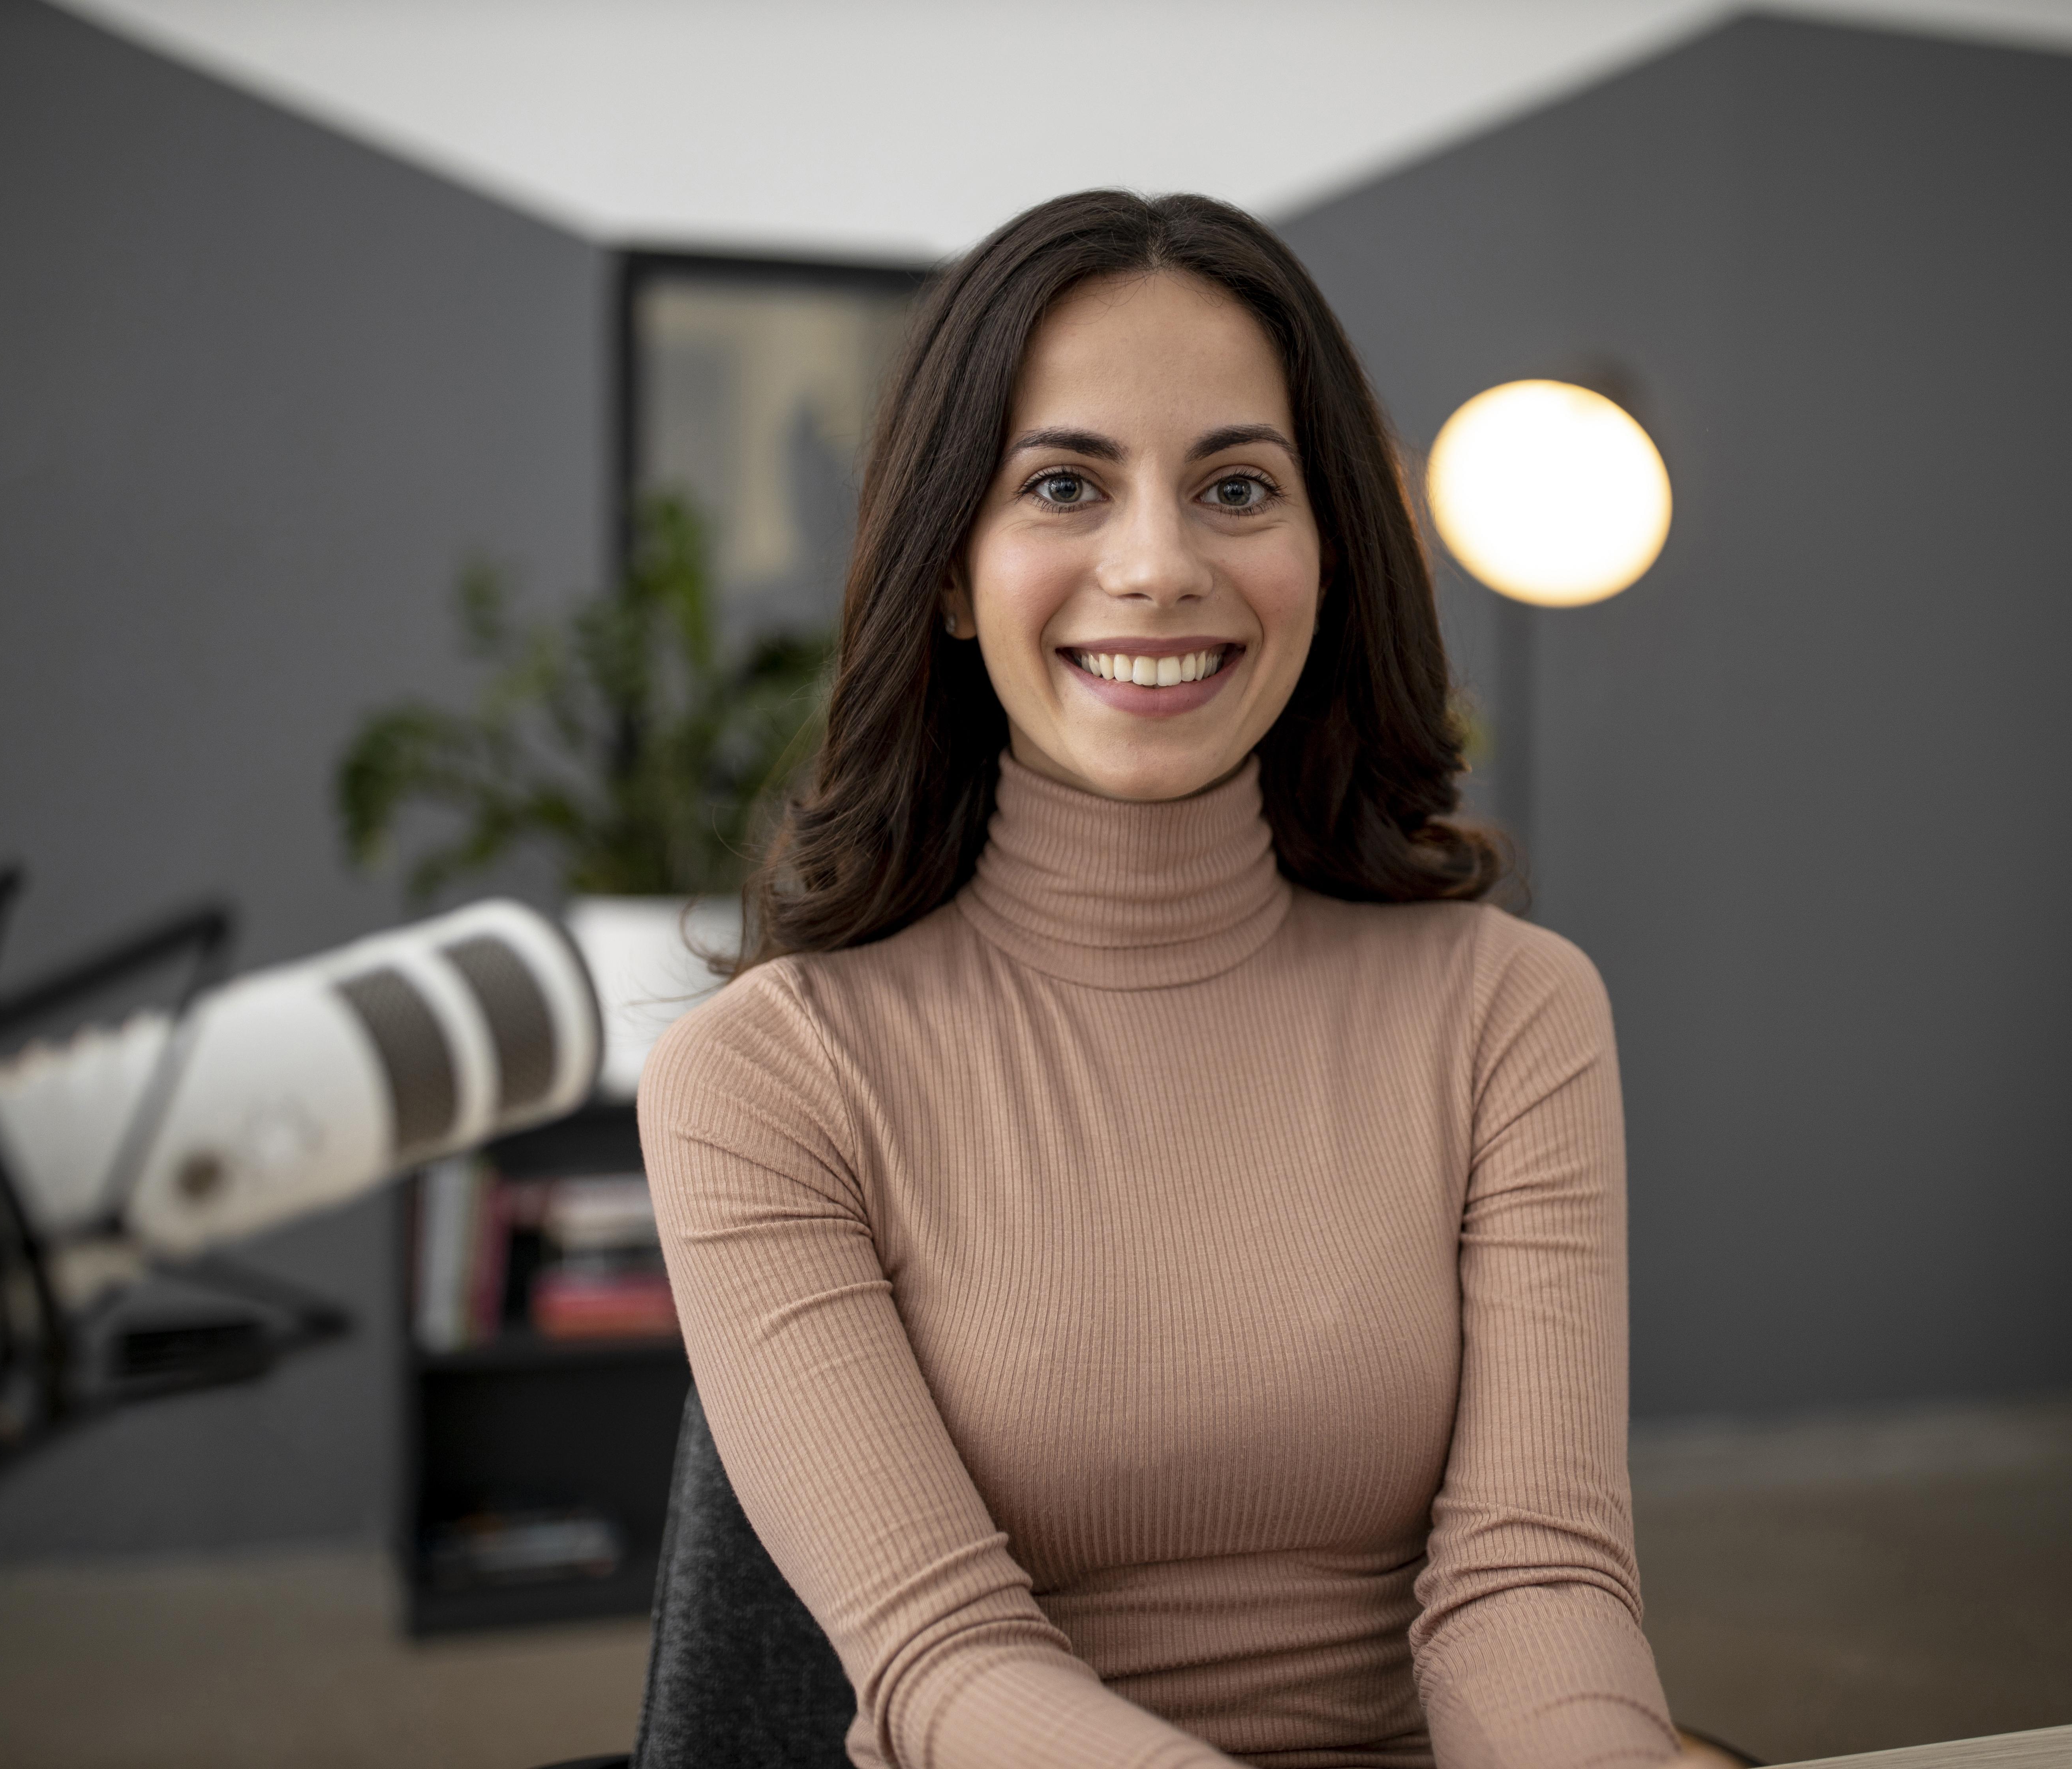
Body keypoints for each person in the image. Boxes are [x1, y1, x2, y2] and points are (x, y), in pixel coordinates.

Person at [641, 189, 1683, 1769]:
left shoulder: (1509, 1011)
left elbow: (1528, 1581)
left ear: (1326, 554)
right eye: (1064, 483)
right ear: (945, 573)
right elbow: (945, 1659)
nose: (1155, 565)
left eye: (1237, 487)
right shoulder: (767, 1078)